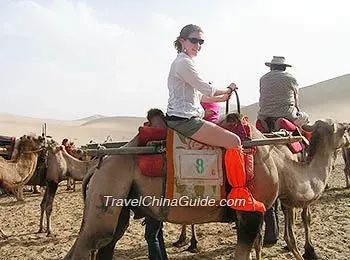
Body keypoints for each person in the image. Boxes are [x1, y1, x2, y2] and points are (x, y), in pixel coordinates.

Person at [165, 24, 266, 214]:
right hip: (185, 120)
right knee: (234, 141)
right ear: (182, 41)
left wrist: (224, 97)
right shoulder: (184, 63)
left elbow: (201, 97)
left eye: (201, 41)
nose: (198, 45)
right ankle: (239, 194)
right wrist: (228, 90)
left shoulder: (185, 62)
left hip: (183, 116)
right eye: (194, 40)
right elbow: (207, 89)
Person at [258, 56, 309, 130]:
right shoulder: (291, 78)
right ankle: (306, 141)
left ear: (271, 67)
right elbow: (296, 100)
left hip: (265, 116)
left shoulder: (263, 78)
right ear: (284, 68)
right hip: (287, 115)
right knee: (305, 117)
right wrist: (297, 110)